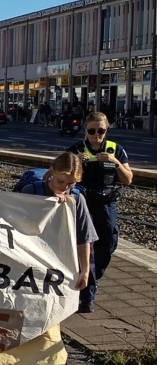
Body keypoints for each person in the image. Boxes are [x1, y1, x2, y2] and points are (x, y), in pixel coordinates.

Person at [17, 152, 98, 365]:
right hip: (27, 265)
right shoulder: (32, 191)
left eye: (70, 183)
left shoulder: (76, 199)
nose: (64, 187)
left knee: (50, 315)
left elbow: (84, 237)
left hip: (56, 268)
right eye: (61, 181)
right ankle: (22, 360)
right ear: (51, 172)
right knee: (24, 313)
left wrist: (85, 269)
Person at [66, 112, 133, 312]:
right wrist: (76, 162)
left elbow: (128, 179)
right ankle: (87, 297)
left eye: (101, 130)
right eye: (92, 130)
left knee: (107, 244)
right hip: (83, 202)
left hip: (106, 202)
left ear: (107, 130)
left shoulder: (115, 149)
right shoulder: (76, 150)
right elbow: (60, 176)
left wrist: (115, 162)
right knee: (88, 247)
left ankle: (95, 277)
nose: (97, 135)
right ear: (85, 130)